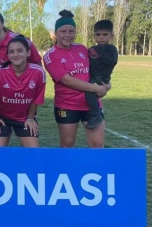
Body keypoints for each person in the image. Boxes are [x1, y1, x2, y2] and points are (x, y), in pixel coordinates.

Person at [43, 10, 111, 148]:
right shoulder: (50, 56)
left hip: (91, 105)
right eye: (63, 31)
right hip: (67, 105)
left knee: (97, 145)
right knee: (68, 145)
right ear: (56, 33)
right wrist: (97, 89)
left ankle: (95, 169)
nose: (67, 35)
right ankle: (65, 169)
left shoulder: (82, 48)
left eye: (71, 31)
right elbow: (67, 80)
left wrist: (107, 83)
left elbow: (97, 68)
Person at [0, 35, 46, 147]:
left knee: (33, 153)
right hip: (1, 116)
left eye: (20, 51)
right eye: (11, 52)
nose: (15, 55)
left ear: (28, 53)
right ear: (8, 55)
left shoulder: (39, 72)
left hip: (24, 117)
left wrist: (30, 118)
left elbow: (36, 99)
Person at [85, 19, 118, 129]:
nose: (101, 37)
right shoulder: (92, 49)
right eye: (98, 34)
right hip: (93, 76)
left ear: (111, 36)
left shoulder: (111, 49)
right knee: (88, 92)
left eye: (105, 34)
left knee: (89, 92)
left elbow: (110, 61)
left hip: (102, 77)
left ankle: (95, 115)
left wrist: (100, 51)